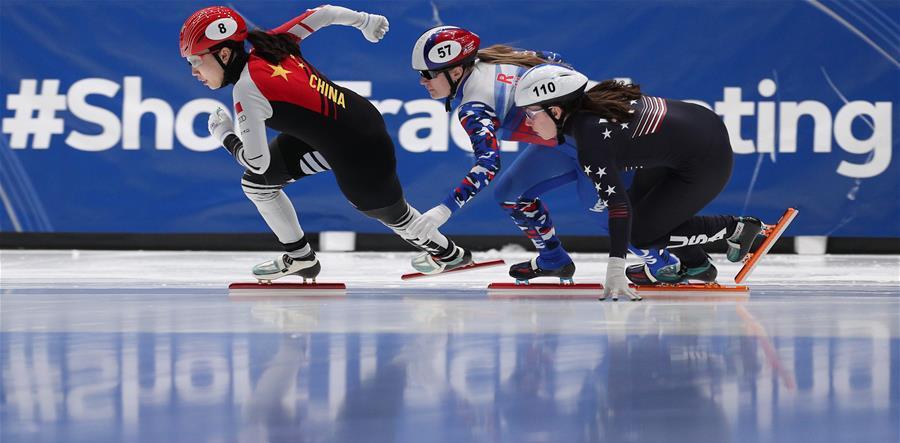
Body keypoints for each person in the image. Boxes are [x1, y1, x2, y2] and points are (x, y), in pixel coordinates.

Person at [180, 5, 471, 281]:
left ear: (225, 54)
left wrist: (224, 135)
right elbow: (324, 14)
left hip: (360, 149)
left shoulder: (247, 90)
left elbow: (256, 160)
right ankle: (301, 258)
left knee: (394, 215)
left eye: (196, 61)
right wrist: (364, 21)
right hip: (349, 122)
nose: (194, 71)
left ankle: (450, 254)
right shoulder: (270, 43)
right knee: (258, 184)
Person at [512, 64, 763, 300]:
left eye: (530, 112)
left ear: (556, 111)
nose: (527, 121)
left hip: (706, 160)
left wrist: (615, 267)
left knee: (640, 235)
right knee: (643, 210)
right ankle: (695, 264)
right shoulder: (593, 101)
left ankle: (736, 228)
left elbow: (618, 207)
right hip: (698, 127)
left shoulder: (591, 143)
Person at [409, 26, 606, 284]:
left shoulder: (474, 106)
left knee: (600, 212)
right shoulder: (498, 58)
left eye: (428, 74)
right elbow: (555, 58)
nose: (423, 81)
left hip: (598, 141)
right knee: (511, 194)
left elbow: (488, 163)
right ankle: (553, 259)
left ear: (456, 71)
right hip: (564, 139)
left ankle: (663, 264)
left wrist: (444, 209)